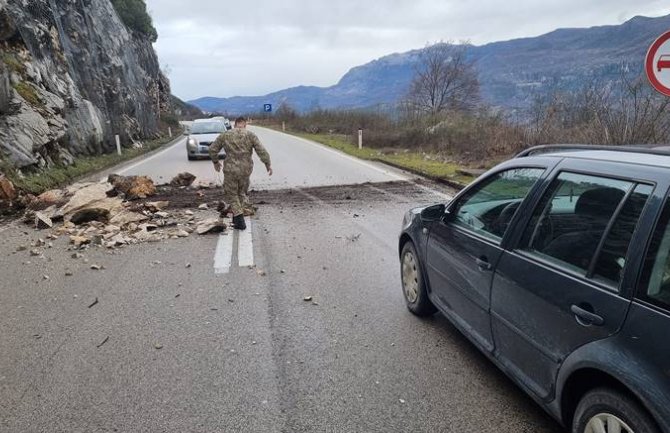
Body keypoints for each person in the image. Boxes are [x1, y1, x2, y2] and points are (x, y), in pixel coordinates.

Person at [209, 117, 272, 230]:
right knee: (241, 193)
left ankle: (239, 220)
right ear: (244, 124)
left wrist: (216, 162)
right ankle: (236, 218)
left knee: (232, 194)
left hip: (231, 169)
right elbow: (261, 150)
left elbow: (213, 149)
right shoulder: (250, 135)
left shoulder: (225, 135)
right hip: (245, 170)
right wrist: (267, 164)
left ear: (235, 124)